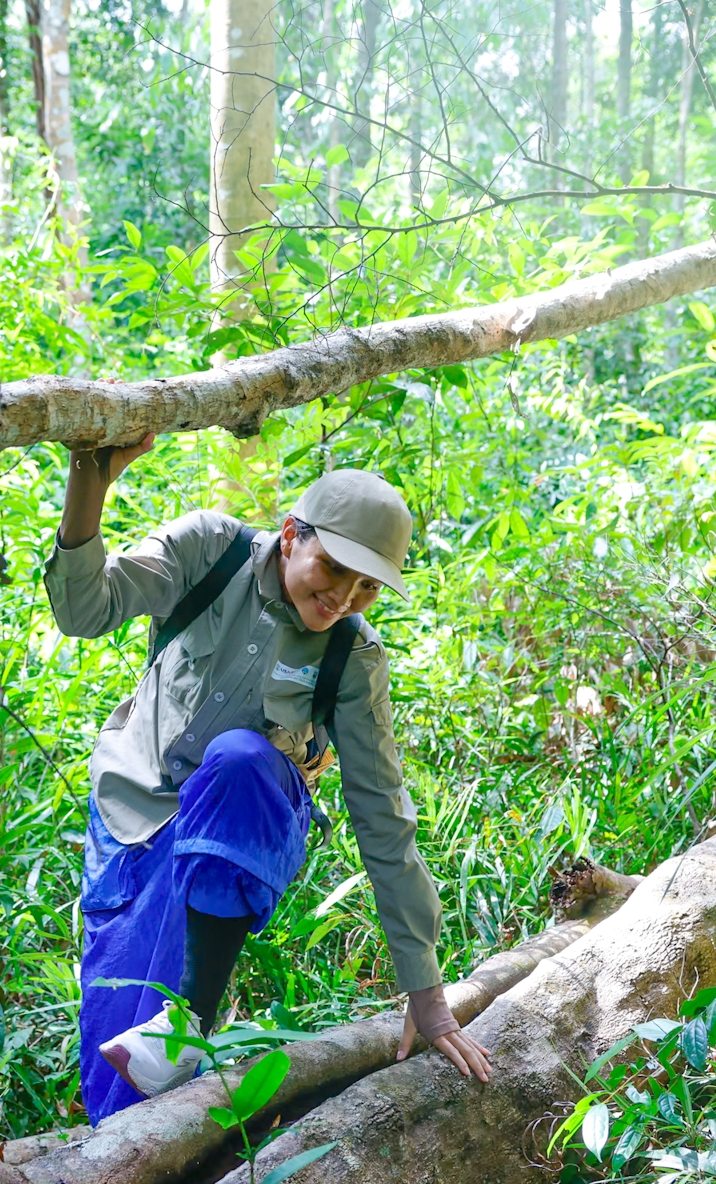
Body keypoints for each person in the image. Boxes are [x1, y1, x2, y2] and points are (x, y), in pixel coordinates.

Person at [44, 438, 493, 1125]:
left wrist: (425, 992)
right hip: (132, 819)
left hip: (237, 831)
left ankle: (191, 1016)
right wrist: (88, 482)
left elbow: (382, 814)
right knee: (115, 1060)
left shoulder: (354, 655)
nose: (343, 598)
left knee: (241, 757)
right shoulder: (209, 551)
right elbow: (82, 612)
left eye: (367, 586)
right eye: (334, 569)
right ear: (291, 537)